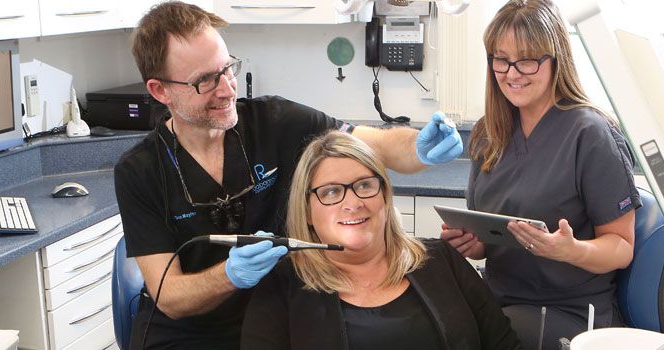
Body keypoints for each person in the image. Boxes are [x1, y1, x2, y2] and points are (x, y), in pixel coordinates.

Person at [114, 2, 465, 349]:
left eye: (227, 69)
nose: (226, 89)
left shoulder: (278, 121)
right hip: (192, 334)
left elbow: (373, 145)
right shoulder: (139, 172)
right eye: (204, 81)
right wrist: (229, 276)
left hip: (281, 314)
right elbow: (169, 296)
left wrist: (419, 146)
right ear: (160, 90)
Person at [438, 0, 641, 348]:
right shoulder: (491, 132)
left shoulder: (590, 134)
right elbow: (489, 236)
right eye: (501, 59)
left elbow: (621, 248)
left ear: (556, 59)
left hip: (569, 310)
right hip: (499, 297)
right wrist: (473, 244)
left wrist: (570, 250)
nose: (512, 73)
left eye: (527, 59)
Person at [241, 131, 521, 350]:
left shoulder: (442, 260)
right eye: (331, 192)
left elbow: (504, 345)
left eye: (364, 185)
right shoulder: (282, 286)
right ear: (308, 211)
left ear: (385, 196)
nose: (353, 203)